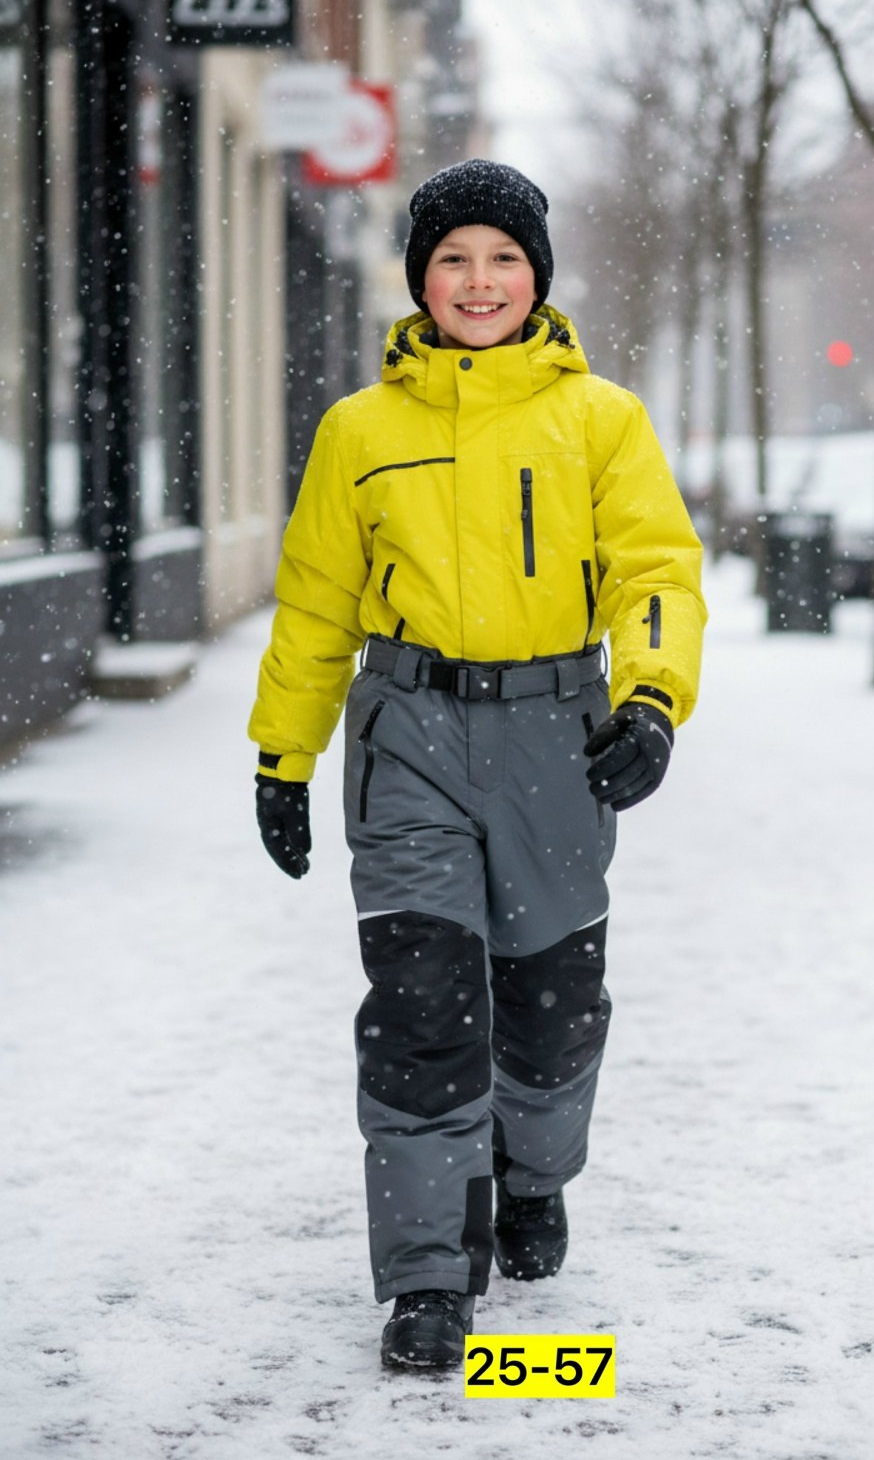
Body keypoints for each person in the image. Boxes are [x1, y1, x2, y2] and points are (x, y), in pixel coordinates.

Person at [249, 160, 706, 1371]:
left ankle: (532, 1170)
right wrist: (281, 756)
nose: (479, 279)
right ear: (420, 280)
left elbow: (658, 573)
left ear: (538, 276)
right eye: (453, 257)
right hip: (411, 735)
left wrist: (652, 702)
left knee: (552, 1014)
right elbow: (314, 608)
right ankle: (430, 1276)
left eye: (503, 257)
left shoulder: (600, 419)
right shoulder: (360, 432)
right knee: (421, 1008)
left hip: (558, 738)